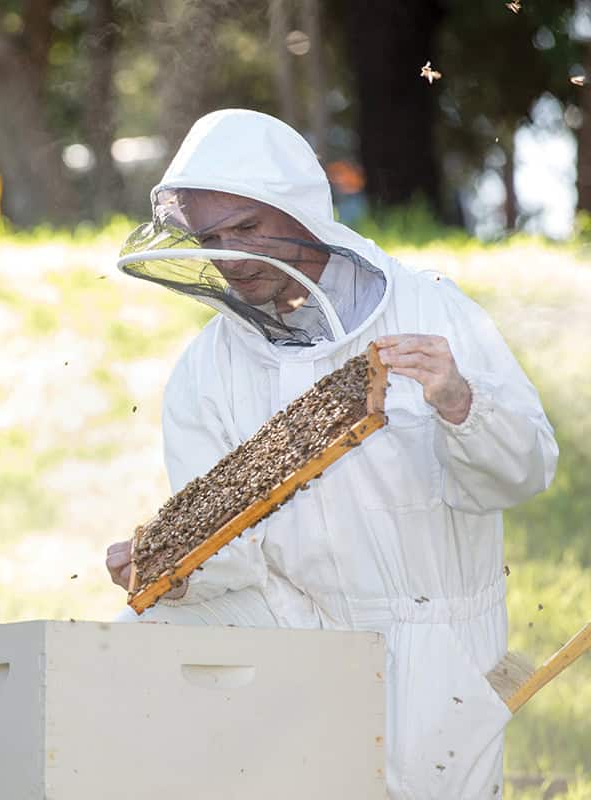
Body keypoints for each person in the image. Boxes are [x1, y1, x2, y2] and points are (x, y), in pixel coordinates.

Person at [105, 109, 557, 799]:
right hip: (296, 641)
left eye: (248, 229)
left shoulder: (433, 309)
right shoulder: (207, 369)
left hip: (440, 642)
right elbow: (234, 546)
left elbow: (523, 473)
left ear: (302, 212)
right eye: (211, 237)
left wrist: (463, 402)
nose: (228, 255)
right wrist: (170, 558)